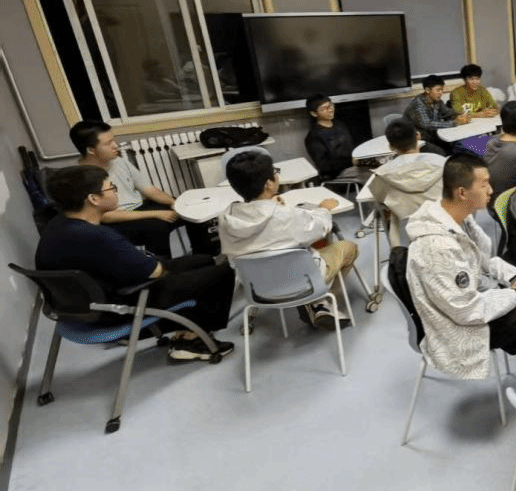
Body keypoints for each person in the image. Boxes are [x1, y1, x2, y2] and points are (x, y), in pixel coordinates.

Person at [36, 165, 235, 361]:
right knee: (221, 273)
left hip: (80, 307)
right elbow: (156, 272)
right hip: (115, 309)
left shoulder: (56, 226)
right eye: (111, 188)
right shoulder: (98, 236)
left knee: (202, 261)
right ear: (94, 199)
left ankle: (189, 331)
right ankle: (192, 343)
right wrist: (152, 264)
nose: (116, 193)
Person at [405, 155, 516, 379]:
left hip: (474, 301)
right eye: (484, 185)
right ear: (462, 193)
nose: (491, 190)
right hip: (460, 326)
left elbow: (485, 261)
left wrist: (514, 278)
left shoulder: (459, 218)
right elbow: (465, 310)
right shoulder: (437, 247)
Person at [219, 149, 359, 326]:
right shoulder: (286, 216)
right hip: (301, 282)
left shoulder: (226, 218)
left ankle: (316, 303)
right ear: (269, 184)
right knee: (348, 247)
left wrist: (270, 204)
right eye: (274, 172)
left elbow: (262, 222)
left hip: (257, 287)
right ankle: (320, 302)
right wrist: (324, 209)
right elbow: (321, 227)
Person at [69, 120, 215, 257]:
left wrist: (174, 203)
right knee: (157, 227)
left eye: (114, 140)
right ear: (91, 150)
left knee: (189, 209)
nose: (116, 146)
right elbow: (105, 216)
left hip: (140, 207)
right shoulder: (80, 177)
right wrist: (156, 214)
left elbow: (149, 189)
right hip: (117, 220)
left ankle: (204, 258)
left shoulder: (118, 162)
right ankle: (163, 270)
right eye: (108, 143)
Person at [369, 119, 446, 242]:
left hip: (408, 239)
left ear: (390, 146)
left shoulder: (383, 174)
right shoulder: (443, 163)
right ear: (418, 136)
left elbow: (378, 198)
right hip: (445, 230)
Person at [304, 94, 368, 185]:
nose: (330, 110)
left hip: (353, 166)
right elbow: (324, 167)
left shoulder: (339, 125)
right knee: (373, 175)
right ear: (314, 113)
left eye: (331, 105)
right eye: (325, 108)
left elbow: (351, 147)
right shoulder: (313, 137)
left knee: (381, 167)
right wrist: (350, 162)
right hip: (337, 174)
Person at [405, 74, 472, 148]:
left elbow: (447, 112)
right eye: (438, 90)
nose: (441, 93)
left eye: (442, 90)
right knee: (451, 148)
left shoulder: (437, 101)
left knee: (461, 142)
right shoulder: (418, 104)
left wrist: (461, 113)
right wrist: (455, 122)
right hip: (418, 140)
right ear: (427, 90)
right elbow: (428, 125)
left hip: (434, 135)